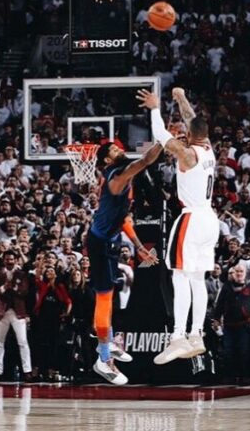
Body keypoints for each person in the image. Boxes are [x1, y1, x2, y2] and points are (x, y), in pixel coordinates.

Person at [139, 87, 220, 364]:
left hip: (192, 218)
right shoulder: (207, 148)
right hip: (210, 219)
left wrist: (154, 107)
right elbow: (191, 118)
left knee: (179, 276)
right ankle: (196, 335)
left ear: (189, 135)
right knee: (197, 278)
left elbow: (160, 135)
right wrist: (181, 97)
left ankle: (177, 338)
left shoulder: (188, 155)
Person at [85, 136, 162, 384]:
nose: (119, 150)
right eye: (114, 150)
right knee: (104, 298)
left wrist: (138, 247)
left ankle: (108, 343)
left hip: (112, 240)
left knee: (110, 297)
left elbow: (124, 219)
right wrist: (164, 139)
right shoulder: (116, 177)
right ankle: (103, 359)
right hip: (100, 243)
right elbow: (145, 160)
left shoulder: (125, 180)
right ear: (107, 160)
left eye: (118, 147)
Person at [0, 250, 32, 380]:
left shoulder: (22, 274)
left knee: (22, 341)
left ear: (16, 260)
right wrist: (4, 287)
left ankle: (27, 371)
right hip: (1, 311)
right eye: (7, 259)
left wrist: (13, 287)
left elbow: (24, 292)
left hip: (18, 311)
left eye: (11, 259)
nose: (9, 261)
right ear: (3, 260)